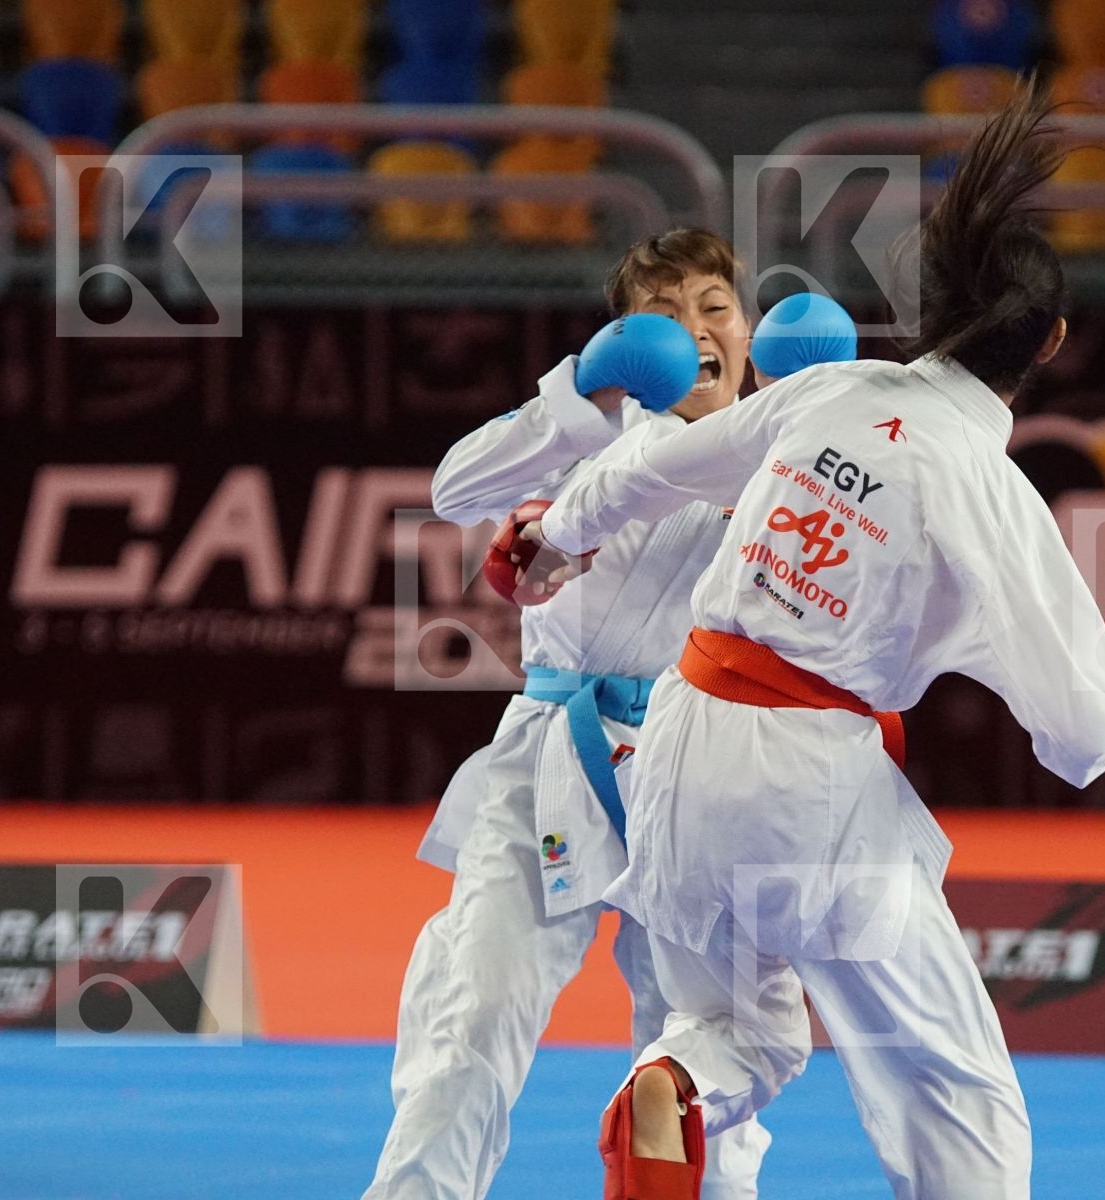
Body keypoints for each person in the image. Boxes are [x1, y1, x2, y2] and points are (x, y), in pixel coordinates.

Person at [528, 84, 1105, 1200]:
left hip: (678, 745)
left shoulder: (824, 395)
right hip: (806, 788)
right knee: (954, 1098)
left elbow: (645, 469)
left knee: (731, 1032)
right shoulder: (989, 488)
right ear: (1050, 342)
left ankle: (671, 1078)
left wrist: (550, 533)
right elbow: (1080, 733)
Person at [366, 230, 855, 1200]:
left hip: (703, 771)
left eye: (714, 305)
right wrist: (584, 395)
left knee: (698, 1051)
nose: (696, 331)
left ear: (749, 328)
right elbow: (455, 489)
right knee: (474, 1013)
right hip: (553, 756)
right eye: (664, 317)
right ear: (628, 343)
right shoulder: (595, 438)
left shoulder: (799, 455)